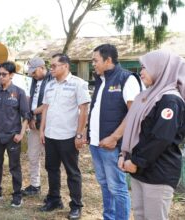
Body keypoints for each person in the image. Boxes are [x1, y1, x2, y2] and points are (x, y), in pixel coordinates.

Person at [119, 50, 185, 220]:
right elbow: (135, 131)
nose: (141, 72)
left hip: (158, 173)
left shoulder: (170, 100)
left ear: (161, 68)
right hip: (139, 168)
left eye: (145, 67)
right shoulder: (147, 96)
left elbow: (161, 138)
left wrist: (135, 161)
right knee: (140, 216)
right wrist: (124, 154)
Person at [88, 44, 141, 220]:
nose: (92, 64)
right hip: (96, 144)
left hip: (112, 146)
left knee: (117, 187)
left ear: (108, 60)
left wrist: (114, 137)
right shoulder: (101, 80)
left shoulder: (126, 79)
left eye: (95, 60)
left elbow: (135, 114)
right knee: (104, 185)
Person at [39, 53, 90, 220]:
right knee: (51, 169)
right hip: (51, 135)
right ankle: (54, 200)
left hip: (68, 136)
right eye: (50, 66)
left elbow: (84, 110)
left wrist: (79, 134)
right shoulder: (49, 85)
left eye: (54, 66)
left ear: (65, 66)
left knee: (72, 172)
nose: (50, 69)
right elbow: (45, 108)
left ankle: (76, 205)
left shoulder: (78, 84)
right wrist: (42, 130)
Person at [0, 61, 30, 208]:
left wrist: (21, 134)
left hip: (12, 136)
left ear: (11, 75)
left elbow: (26, 116)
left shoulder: (19, 93)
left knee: (14, 167)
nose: (1, 77)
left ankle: (17, 196)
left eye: (4, 74)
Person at [22, 57, 52, 196]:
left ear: (41, 67)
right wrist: (30, 118)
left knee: (50, 160)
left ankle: (53, 190)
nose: (32, 75)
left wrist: (33, 113)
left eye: (34, 72)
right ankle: (35, 185)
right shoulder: (34, 81)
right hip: (34, 124)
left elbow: (48, 104)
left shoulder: (52, 80)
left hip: (48, 126)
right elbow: (30, 100)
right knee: (33, 156)